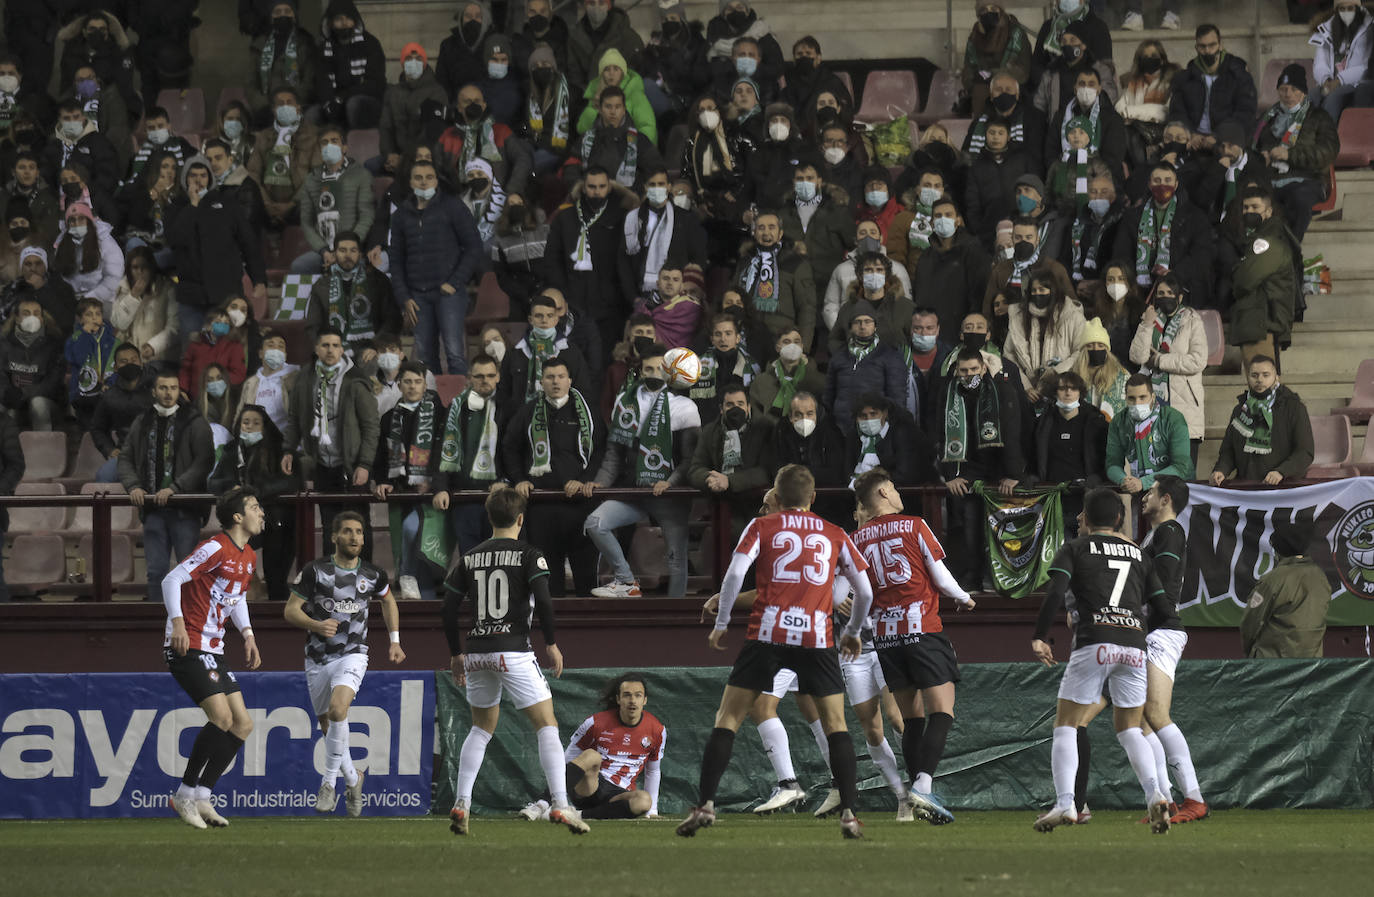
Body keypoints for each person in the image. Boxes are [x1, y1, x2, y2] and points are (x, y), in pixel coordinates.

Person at [678, 464, 873, 839]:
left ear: (777, 499)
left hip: (768, 633)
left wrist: (722, 622)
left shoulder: (762, 526)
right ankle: (849, 813)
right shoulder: (835, 534)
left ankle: (705, 806)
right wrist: (850, 631)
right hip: (816, 638)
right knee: (836, 724)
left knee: (728, 717)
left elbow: (735, 575)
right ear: (812, 498)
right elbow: (863, 592)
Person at [443, 486, 591, 836]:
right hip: (513, 650)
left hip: (477, 650)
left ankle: (462, 802)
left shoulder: (469, 556)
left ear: (489, 518)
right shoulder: (530, 555)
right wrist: (552, 643)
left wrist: (455, 654)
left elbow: (447, 609)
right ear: (521, 520)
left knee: (480, 728)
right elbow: (545, 600)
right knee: (547, 725)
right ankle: (560, 804)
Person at [1029, 487, 1175, 834]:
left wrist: (1039, 634)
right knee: (1130, 730)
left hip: (1094, 641)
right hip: (1134, 646)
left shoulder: (1075, 548)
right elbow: (1162, 605)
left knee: (1066, 723)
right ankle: (1155, 793)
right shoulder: (1139, 553)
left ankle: (1067, 803)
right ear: (1120, 518)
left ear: (1086, 517)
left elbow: (1055, 591)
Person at [851, 468, 974, 823]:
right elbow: (939, 575)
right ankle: (923, 786)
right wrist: (963, 597)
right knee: (942, 710)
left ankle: (914, 793)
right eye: (895, 489)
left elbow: (853, 592)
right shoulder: (915, 525)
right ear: (886, 492)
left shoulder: (857, 540)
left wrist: (857, 628)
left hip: (886, 637)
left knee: (911, 719)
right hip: (921, 627)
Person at [285, 510, 403, 815]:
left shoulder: (373, 574)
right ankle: (353, 777)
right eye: (348, 531)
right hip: (317, 657)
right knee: (328, 723)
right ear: (334, 536)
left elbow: (388, 600)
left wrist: (395, 640)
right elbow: (290, 611)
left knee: (339, 709)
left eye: (360, 532)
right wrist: (315, 625)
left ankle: (328, 784)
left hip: (353, 653)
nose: (355, 537)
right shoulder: (315, 571)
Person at [162, 487, 265, 829]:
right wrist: (177, 622)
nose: (261, 512)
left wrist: (248, 635)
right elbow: (172, 578)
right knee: (220, 717)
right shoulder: (215, 547)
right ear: (238, 517)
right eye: (254, 507)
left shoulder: (248, 555)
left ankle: (203, 795)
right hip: (188, 644)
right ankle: (184, 794)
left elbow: (237, 599)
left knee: (243, 724)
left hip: (214, 649)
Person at [585, 345, 701, 598]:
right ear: (639, 371)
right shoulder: (624, 402)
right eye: (648, 368)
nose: (654, 373)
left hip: (670, 495)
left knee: (676, 561)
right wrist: (600, 482)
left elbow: (690, 459)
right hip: (633, 487)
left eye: (661, 368)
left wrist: (670, 482)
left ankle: (677, 618)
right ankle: (626, 580)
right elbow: (614, 452)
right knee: (595, 522)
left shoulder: (685, 407)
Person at [1136, 475, 1209, 824]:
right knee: (1143, 721)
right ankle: (1165, 802)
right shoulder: (1155, 533)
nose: (1144, 496)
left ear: (1166, 499)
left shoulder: (1170, 532)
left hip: (1162, 631)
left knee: (1155, 714)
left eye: (1151, 491)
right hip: (1153, 629)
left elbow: (1161, 582)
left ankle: (1194, 798)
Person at [502, 356, 604, 598]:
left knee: (587, 580)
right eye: (550, 377)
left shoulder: (588, 411)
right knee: (547, 581)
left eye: (560, 376)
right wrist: (518, 479)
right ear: (541, 382)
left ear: (569, 380)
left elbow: (601, 449)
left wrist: (585, 479)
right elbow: (509, 446)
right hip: (541, 508)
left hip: (580, 506)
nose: (555, 382)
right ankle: (550, 633)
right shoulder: (527, 412)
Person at [282, 327, 381, 557]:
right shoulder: (306, 378)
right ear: (316, 349)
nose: (330, 350)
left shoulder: (356, 378)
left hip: (353, 463)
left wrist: (365, 464)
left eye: (336, 345)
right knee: (330, 527)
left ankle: (364, 579)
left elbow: (371, 426)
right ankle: (330, 581)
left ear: (342, 349)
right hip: (323, 463)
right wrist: (288, 449)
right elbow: (295, 418)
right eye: (325, 345)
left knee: (358, 525)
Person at [120, 370, 216, 601]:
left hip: (185, 510)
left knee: (188, 572)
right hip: (153, 510)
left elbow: (204, 461)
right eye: (163, 388)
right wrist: (133, 486)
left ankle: (191, 624)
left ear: (179, 391)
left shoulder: (195, 421)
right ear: (154, 391)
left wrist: (175, 488)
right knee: (155, 572)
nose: (168, 393)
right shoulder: (142, 421)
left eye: (173, 388)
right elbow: (125, 458)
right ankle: (155, 623)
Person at [520, 673, 665, 821]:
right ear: (618, 699)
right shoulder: (595, 722)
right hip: (590, 786)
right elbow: (568, 759)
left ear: (645, 700)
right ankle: (540, 805)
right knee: (591, 755)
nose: (632, 701)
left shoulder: (657, 730)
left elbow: (653, 771)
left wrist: (652, 811)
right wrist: (559, 793)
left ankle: (577, 815)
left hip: (619, 795)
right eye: (627, 695)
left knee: (644, 800)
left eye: (638, 695)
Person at [938, 347, 1025, 592]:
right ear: (956, 371)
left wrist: (1012, 473)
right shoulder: (948, 394)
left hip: (999, 471)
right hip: (967, 472)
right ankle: (973, 576)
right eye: (964, 371)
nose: (969, 375)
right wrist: (950, 475)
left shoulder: (1002, 390)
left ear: (984, 369)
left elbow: (1013, 432)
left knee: (1001, 528)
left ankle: (997, 577)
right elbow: (940, 434)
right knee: (970, 528)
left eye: (974, 370)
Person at [390, 158, 483, 376]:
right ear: (410, 182)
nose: (424, 182)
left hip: (448, 293)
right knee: (424, 358)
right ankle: (431, 406)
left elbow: (473, 247)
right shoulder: (401, 215)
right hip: (417, 296)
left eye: (429, 177)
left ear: (437, 181)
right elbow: (395, 259)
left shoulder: (453, 207)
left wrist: (455, 282)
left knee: (455, 354)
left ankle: (459, 406)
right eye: (418, 178)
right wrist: (404, 296)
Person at [168, 158, 268, 341]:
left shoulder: (228, 204)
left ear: (210, 178)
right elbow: (176, 239)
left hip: (226, 292)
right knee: (193, 348)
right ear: (185, 178)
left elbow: (248, 243)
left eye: (203, 175)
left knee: (229, 345)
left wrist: (259, 278)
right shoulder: (176, 206)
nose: (198, 180)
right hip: (192, 295)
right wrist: (193, 206)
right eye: (193, 176)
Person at [209, 404, 298, 601]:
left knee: (276, 578)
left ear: (265, 427)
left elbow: (290, 482)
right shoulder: (233, 450)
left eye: (256, 423)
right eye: (246, 422)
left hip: (277, 522)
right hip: (244, 522)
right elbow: (213, 482)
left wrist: (252, 493)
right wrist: (230, 487)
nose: (249, 427)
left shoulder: (278, 449)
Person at [372, 362, 445, 601]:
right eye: (408, 382)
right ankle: (417, 588)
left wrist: (434, 480)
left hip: (432, 490)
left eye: (417, 381)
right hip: (402, 490)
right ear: (400, 385)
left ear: (425, 384)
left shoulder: (440, 413)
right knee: (406, 538)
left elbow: (443, 449)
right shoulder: (389, 418)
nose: (413, 386)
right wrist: (383, 480)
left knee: (421, 537)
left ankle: (411, 578)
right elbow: (380, 454)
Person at [544, 167, 632, 355]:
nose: (597, 191)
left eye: (602, 186)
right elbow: (552, 259)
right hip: (574, 303)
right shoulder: (565, 218)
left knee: (607, 357)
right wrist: (563, 293)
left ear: (610, 187)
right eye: (592, 186)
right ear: (583, 188)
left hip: (610, 306)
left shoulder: (621, 216)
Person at [1253, 64, 1340, 240]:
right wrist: (1259, 157)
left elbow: (1328, 151)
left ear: (1304, 92)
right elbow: (1251, 146)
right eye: (1284, 89)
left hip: (1307, 180)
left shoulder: (1318, 117)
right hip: (1270, 179)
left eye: (1294, 89)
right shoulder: (1267, 118)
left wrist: (1290, 155)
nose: (1289, 94)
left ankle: (1291, 252)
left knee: (1298, 199)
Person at [1111, 162, 1214, 305]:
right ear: (1149, 184)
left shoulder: (1195, 217)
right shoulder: (1132, 217)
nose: (1162, 185)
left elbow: (1201, 255)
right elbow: (1122, 253)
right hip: (1141, 290)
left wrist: (1174, 274)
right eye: (1157, 181)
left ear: (1176, 185)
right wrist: (1132, 279)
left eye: (1168, 180)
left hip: (1182, 289)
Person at [1129, 273, 1206, 463]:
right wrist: (1147, 323)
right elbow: (1137, 356)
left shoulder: (1192, 320)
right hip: (1153, 407)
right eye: (1160, 293)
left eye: (1170, 293)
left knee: (1183, 477)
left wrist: (1161, 361)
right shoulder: (1150, 319)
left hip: (1184, 407)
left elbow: (1197, 361)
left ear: (1179, 297)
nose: (1165, 297)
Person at [433, 353, 504, 554]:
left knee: (499, 560)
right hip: (464, 498)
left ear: (498, 376)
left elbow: (516, 450)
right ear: (470, 378)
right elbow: (442, 449)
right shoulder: (456, 408)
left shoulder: (509, 407)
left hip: (498, 499)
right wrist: (440, 487)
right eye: (479, 376)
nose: (485, 381)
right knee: (470, 561)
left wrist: (506, 481)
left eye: (490, 376)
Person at [1211, 355, 1314, 485]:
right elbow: (1229, 450)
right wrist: (1221, 470)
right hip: (1247, 487)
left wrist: (1281, 472)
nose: (1259, 380)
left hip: (1285, 488)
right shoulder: (1240, 409)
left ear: (1276, 378)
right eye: (1254, 375)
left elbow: (1305, 452)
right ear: (1248, 378)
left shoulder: (1294, 408)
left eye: (1266, 375)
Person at [688, 382, 775, 539]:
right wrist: (710, 478)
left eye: (740, 404)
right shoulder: (710, 431)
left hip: (758, 506)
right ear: (721, 409)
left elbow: (766, 471)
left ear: (749, 407)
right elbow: (695, 469)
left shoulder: (766, 428)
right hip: (723, 507)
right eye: (730, 405)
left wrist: (729, 481)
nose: (736, 408)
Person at [1229, 188, 1298, 371]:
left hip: (1262, 323)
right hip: (1259, 322)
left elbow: (1245, 280)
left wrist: (1237, 275)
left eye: (1255, 206)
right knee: (1263, 386)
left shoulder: (1268, 240)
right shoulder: (1259, 236)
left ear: (1268, 211)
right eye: (1245, 207)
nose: (1249, 211)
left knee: (1262, 384)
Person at [1240, 519, 1331, 658]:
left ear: (1278, 550)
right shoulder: (1320, 576)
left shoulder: (1273, 580)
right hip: (1312, 663)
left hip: (1274, 664)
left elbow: (1250, 622)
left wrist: (1249, 653)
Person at [731, 210, 818, 352]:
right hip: (748, 335)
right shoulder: (746, 262)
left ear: (780, 234)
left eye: (771, 227)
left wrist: (803, 348)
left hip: (782, 337)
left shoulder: (796, 263)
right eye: (761, 228)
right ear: (754, 233)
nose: (766, 233)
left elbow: (807, 308)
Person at [292, 126, 375, 274]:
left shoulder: (361, 175)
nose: (329, 145)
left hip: (353, 250)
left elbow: (366, 216)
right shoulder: (311, 179)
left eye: (334, 141)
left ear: (344, 147)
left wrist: (346, 249)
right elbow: (306, 222)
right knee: (299, 267)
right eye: (324, 142)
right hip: (324, 252)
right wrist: (324, 251)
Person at [1034, 370, 1107, 532]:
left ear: (1080, 393)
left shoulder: (1095, 421)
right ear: (1055, 393)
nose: (1068, 393)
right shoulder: (1043, 423)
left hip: (1083, 498)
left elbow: (1106, 458)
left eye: (1073, 389)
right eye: (1063, 388)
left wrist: (1096, 478)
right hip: (1051, 498)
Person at [303, 231, 397, 354]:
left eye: (353, 250)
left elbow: (392, 320)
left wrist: (376, 346)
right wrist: (326, 348)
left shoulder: (378, 281)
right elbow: (313, 326)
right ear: (334, 254)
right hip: (332, 350)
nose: (348, 255)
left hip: (370, 349)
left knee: (370, 365)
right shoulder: (321, 285)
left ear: (360, 254)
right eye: (342, 250)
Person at [498, 294, 594, 410]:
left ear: (556, 319)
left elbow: (583, 390)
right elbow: (503, 394)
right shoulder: (515, 354)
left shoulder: (571, 352)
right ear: (530, 319)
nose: (544, 320)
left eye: (549, 316)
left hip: (562, 420)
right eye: (539, 316)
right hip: (523, 420)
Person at [1168, 25, 1257, 147]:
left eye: (1212, 45)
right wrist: (1190, 134)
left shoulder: (1239, 75)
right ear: (1196, 48)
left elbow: (1245, 113)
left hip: (1226, 142)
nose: (1207, 51)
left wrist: (1217, 137)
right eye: (1202, 46)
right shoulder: (1185, 77)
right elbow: (1177, 112)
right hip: (1192, 141)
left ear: (1220, 45)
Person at [1105, 373, 1195, 495]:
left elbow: (1181, 467)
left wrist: (1144, 482)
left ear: (1153, 397)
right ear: (1125, 398)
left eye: (1142, 397)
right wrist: (1124, 480)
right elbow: (1112, 464)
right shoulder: (1118, 422)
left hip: (1177, 490)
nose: (1137, 403)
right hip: (1139, 489)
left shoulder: (1173, 419)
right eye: (1131, 398)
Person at [824, 307, 909, 434]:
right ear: (851, 327)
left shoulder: (890, 356)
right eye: (857, 322)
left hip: (877, 428)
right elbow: (828, 396)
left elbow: (897, 398)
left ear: (875, 326)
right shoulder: (839, 357)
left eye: (867, 321)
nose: (862, 326)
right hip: (843, 429)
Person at [246, 88, 322, 228]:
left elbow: (317, 174)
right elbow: (253, 173)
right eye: (280, 104)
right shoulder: (263, 137)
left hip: (300, 204)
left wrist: (292, 204)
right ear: (274, 110)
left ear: (298, 108)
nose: (285, 106)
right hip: (267, 205)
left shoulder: (314, 135)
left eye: (289, 103)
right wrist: (267, 203)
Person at [1004, 272, 1087, 399]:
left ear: (1053, 290)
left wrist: (1056, 371)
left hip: (1063, 390)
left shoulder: (1072, 316)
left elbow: (1080, 352)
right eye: (1034, 290)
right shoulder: (1019, 317)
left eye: (1042, 289)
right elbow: (1009, 355)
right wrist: (1025, 386)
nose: (1037, 294)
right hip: (1028, 393)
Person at [312, 0, 386, 130]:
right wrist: (329, 102)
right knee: (312, 114)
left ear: (355, 21)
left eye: (349, 18)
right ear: (330, 23)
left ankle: (357, 148)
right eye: (339, 19)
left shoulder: (370, 44)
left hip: (364, 101)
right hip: (334, 100)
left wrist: (343, 97)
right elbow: (321, 81)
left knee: (353, 104)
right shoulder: (324, 49)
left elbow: (375, 83)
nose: (345, 23)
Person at [377, 43, 446, 175]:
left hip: (424, 157)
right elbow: (386, 127)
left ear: (425, 63)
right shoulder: (393, 92)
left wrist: (405, 158)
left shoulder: (437, 92)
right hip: (396, 156)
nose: (414, 62)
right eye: (409, 58)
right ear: (402, 63)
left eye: (418, 59)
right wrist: (390, 154)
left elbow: (431, 132)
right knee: (371, 166)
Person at [0, 298, 66, 430]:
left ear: (42, 317)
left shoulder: (55, 344)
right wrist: (8, 395)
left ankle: (43, 448)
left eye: (36, 313)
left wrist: (23, 395)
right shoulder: (4, 344)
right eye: (26, 313)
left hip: (45, 401)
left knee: (38, 404)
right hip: (13, 399)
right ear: (17, 318)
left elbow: (53, 382)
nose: (32, 317)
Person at [247, 2, 319, 120]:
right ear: (271, 17)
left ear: (294, 16)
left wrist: (290, 103)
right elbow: (250, 83)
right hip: (267, 107)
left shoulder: (306, 43)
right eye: (278, 12)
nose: (282, 15)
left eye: (287, 11)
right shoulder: (258, 45)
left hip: (299, 105)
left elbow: (309, 81)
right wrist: (267, 104)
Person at [845, 393, 933, 487]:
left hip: (899, 495)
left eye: (873, 414)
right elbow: (847, 471)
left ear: (885, 413)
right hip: (859, 494)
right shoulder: (853, 436)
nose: (868, 419)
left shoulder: (901, 433)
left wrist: (872, 485)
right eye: (863, 416)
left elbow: (905, 475)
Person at [110, 246, 178, 367]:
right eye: (135, 267)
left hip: (158, 357)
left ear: (152, 268)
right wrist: (133, 296)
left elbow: (174, 327)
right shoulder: (123, 287)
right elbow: (119, 324)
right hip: (129, 358)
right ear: (129, 269)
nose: (140, 272)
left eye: (144, 267)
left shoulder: (167, 288)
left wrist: (153, 346)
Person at [963, 5, 1033, 118]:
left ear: (1000, 10)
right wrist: (975, 79)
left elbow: (1024, 71)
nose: (989, 13)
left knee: (1004, 88)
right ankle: (980, 130)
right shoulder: (974, 38)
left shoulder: (1016, 34)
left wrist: (994, 76)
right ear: (978, 15)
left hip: (1012, 88)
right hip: (983, 90)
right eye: (984, 10)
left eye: (993, 9)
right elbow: (967, 71)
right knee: (980, 91)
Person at [1311, 2, 1374, 124]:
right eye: (1342, 9)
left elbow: (1364, 67)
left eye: (1350, 8)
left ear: (1358, 9)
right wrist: (1325, 80)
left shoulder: (1368, 30)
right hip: (1329, 83)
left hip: (1355, 84)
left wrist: (1339, 81)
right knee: (1310, 98)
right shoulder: (1326, 30)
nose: (1346, 13)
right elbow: (1320, 62)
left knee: (1333, 99)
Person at [691, 313, 759, 424]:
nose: (723, 339)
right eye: (718, 334)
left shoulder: (752, 367)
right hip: (706, 425)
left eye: (728, 334)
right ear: (712, 339)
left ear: (737, 338)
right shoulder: (696, 366)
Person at [569, 0, 645, 94]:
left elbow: (638, 70)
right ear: (585, 5)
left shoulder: (627, 36)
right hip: (589, 101)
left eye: (601, 3)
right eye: (591, 3)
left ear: (609, 5)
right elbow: (574, 76)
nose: (596, 8)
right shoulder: (574, 38)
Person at [750, 328, 825, 420]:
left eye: (796, 342)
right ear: (777, 347)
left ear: (801, 347)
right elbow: (757, 417)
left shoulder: (819, 382)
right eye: (786, 342)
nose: (792, 346)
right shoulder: (761, 382)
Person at [64, 296, 115, 427]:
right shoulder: (75, 337)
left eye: (97, 314)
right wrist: (85, 336)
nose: (94, 318)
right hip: (82, 393)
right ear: (80, 319)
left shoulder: (110, 338)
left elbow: (115, 365)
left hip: (105, 391)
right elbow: (76, 358)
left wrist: (110, 383)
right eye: (89, 314)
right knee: (88, 427)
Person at [180, 309, 247, 400]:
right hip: (196, 397)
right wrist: (183, 390)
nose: (222, 325)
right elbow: (186, 370)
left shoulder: (234, 346)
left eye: (226, 323)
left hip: (223, 398)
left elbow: (238, 373)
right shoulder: (195, 345)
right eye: (218, 322)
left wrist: (220, 383)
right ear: (208, 325)